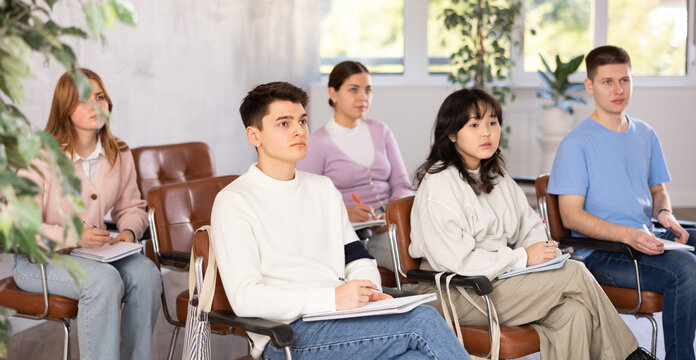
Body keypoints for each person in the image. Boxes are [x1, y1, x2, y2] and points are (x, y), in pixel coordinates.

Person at [210, 81, 470, 360]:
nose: (299, 130)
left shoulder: (323, 188)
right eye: (284, 124)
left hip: (342, 318)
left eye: (302, 121)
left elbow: (357, 257)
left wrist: (367, 292)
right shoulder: (234, 201)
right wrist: (332, 299)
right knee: (423, 320)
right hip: (287, 335)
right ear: (254, 135)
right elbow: (246, 298)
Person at [410, 87, 652, 360]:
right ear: (452, 134)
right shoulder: (439, 184)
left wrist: (542, 251)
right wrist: (523, 257)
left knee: (575, 312)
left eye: (492, 122)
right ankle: (632, 356)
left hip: (498, 279)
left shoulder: (495, 174)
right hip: (457, 290)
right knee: (574, 273)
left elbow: (528, 224)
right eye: (474, 125)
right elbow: (458, 261)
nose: (486, 132)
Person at [548, 45, 696, 360]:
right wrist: (629, 235)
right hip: (605, 255)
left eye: (625, 80)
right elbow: (571, 217)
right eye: (607, 82)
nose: (618, 90)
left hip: (648, 236)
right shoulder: (577, 143)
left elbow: (658, 191)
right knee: (686, 269)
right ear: (590, 86)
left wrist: (666, 213)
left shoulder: (645, 133)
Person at [14, 69, 162, 360]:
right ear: (65, 109)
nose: (96, 106)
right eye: (84, 100)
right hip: (38, 262)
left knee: (146, 274)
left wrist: (129, 231)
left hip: (92, 255)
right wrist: (73, 235)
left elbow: (131, 206)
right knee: (103, 281)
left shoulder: (118, 152)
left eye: (100, 97)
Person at [297, 61, 413, 274]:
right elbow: (308, 200)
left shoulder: (381, 131)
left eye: (368, 90)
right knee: (412, 251)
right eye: (354, 90)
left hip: (394, 224)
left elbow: (402, 183)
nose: (363, 97)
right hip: (358, 234)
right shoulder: (317, 143)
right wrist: (345, 212)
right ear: (333, 93)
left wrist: (392, 210)